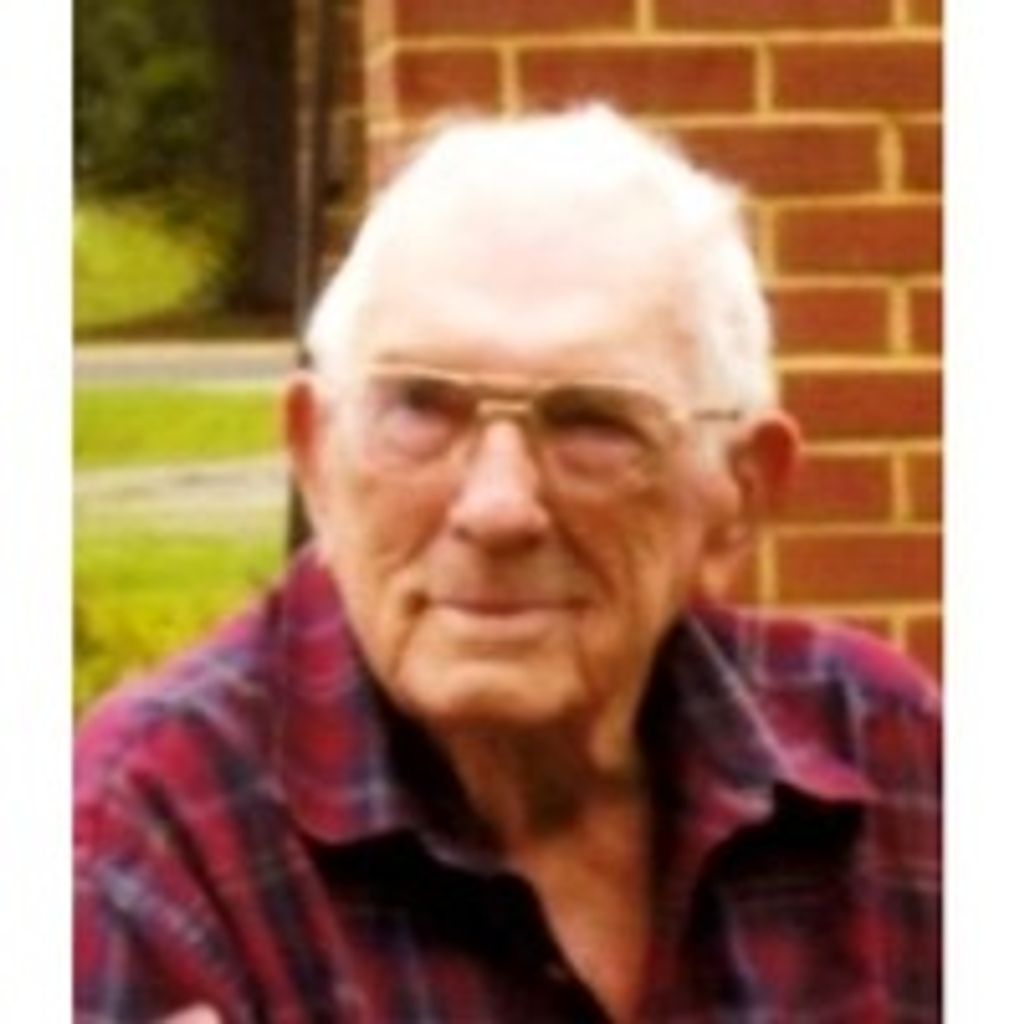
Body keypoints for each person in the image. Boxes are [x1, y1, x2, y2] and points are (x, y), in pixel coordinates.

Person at [75, 105, 940, 1023]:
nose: (496, 508)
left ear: (738, 494)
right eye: (419, 409)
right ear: (315, 459)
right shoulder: (142, 855)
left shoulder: (891, 765)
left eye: (591, 422)